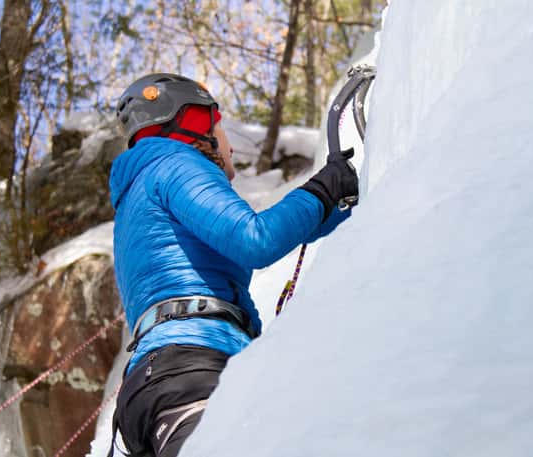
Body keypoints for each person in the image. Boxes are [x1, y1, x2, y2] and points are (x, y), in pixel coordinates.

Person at [108, 73, 357, 456]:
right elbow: (255, 239)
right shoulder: (177, 163)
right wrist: (323, 189)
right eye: (221, 127)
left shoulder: (135, 197)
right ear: (195, 123)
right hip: (194, 369)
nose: (232, 149)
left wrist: (334, 204)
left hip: (149, 390)